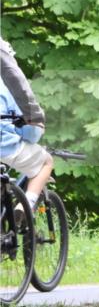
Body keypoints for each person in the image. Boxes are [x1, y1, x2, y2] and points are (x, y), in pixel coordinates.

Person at [0, 36, 53, 219]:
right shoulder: (6, 87)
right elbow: (30, 133)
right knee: (46, 162)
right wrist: (36, 121)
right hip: (4, 145)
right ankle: (25, 208)